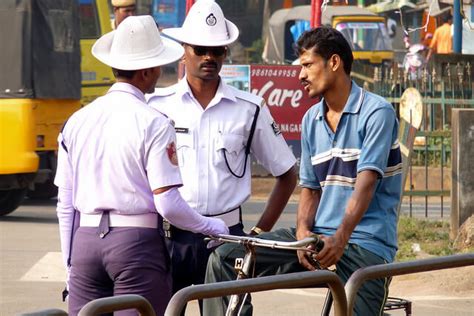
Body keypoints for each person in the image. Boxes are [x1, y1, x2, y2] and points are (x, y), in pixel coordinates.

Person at [203, 26, 403, 316]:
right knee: (225, 259)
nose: (301, 75)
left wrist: (341, 238)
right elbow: (309, 188)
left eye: (308, 65)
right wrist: (302, 234)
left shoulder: (376, 113)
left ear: (334, 63)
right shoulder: (311, 119)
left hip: (364, 243)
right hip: (318, 238)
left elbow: (366, 183)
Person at [55, 15, 229, 316]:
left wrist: (70, 263)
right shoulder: (154, 123)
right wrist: (212, 226)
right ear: (147, 71)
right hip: (135, 244)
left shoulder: (77, 121)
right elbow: (168, 204)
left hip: (84, 242)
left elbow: (65, 204)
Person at [147, 0, 297, 313]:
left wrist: (257, 234)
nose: (209, 57)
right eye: (200, 49)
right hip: (168, 240)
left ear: (226, 53)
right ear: (184, 48)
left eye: (217, 50)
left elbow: (287, 172)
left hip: (227, 241)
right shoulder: (158, 106)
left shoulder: (249, 108)